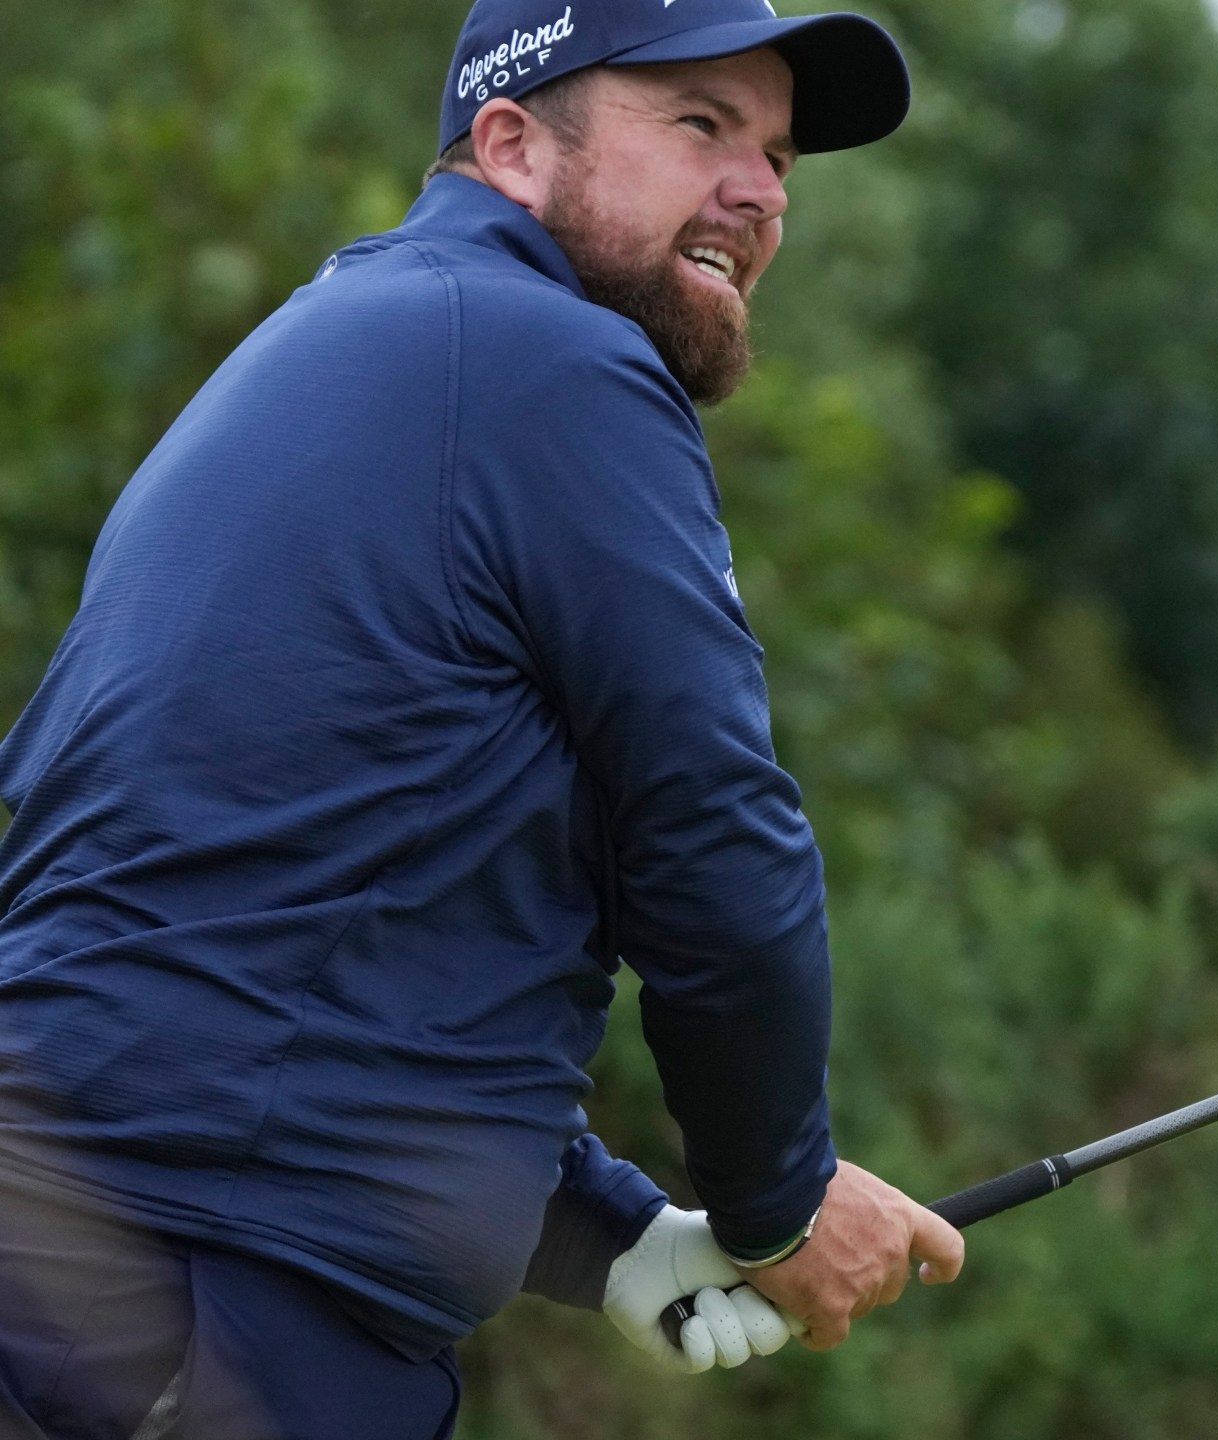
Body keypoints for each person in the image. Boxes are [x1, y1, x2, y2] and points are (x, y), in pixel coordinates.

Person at [0, 2, 964, 1434]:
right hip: (205, 1304)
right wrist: (780, 1201)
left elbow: (312, 931)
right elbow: (710, 831)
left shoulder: (351, 346)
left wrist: (612, 1233)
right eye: (700, 123)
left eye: (776, 156)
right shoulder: (554, 366)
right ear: (510, 144)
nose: (759, 191)